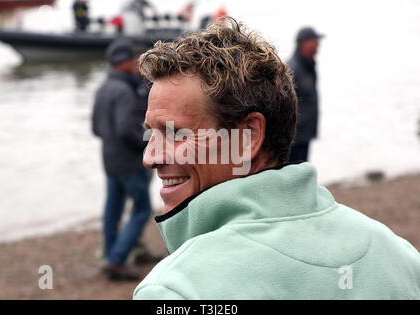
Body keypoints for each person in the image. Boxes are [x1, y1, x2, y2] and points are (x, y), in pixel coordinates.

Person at [132, 19, 420, 299]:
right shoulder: (401, 258)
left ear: (248, 137)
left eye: (176, 133)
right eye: (151, 134)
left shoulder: (176, 289)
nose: (150, 157)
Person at [92, 38, 154, 280]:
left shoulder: (103, 87)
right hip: (129, 162)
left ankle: (111, 254)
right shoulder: (125, 90)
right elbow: (127, 131)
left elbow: (96, 128)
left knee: (112, 210)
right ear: (124, 63)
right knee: (142, 209)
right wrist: (153, 139)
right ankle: (117, 260)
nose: (138, 63)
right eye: (134, 59)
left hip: (109, 160)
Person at [287, 26, 324, 162]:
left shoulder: (308, 66)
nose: (318, 45)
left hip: (305, 134)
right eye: (315, 41)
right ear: (304, 43)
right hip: (294, 138)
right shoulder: (293, 68)